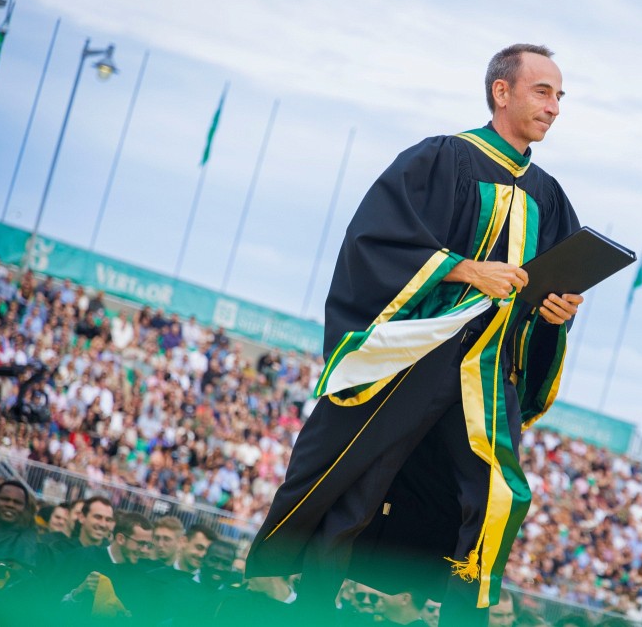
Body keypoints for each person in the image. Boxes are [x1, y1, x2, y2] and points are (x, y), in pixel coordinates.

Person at [245, 43, 582, 627]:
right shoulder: (441, 160)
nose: (554, 107)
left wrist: (556, 308)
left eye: (559, 97)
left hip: (488, 368)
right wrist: (465, 268)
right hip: (420, 355)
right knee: (362, 481)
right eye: (542, 91)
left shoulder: (550, 197)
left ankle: (462, 615)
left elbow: (551, 284)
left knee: (498, 495)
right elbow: (375, 240)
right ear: (502, 92)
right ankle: (316, 609)